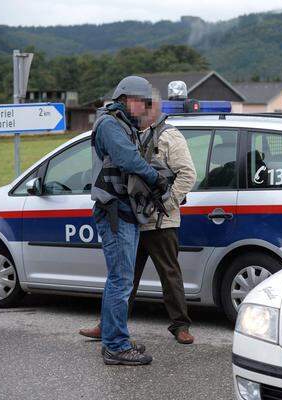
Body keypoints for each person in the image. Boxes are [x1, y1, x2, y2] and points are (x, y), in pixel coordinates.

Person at [80, 93, 197, 344]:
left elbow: (188, 174)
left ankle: (180, 326)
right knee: (125, 276)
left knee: (169, 273)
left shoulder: (169, 135)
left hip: (160, 220)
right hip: (133, 216)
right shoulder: (130, 133)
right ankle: (108, 325)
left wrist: (165, 203)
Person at [90, 76, 168, 366]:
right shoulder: (110, 124)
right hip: (114, 212)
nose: (144, 108)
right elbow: (126, 159)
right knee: (121, 281)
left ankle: (114, 337)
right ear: (125, 98)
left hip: (125, 212)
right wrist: (154, 177)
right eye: (141, 101)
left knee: (119, 280)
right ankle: (115, 346)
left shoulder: (125, 125)